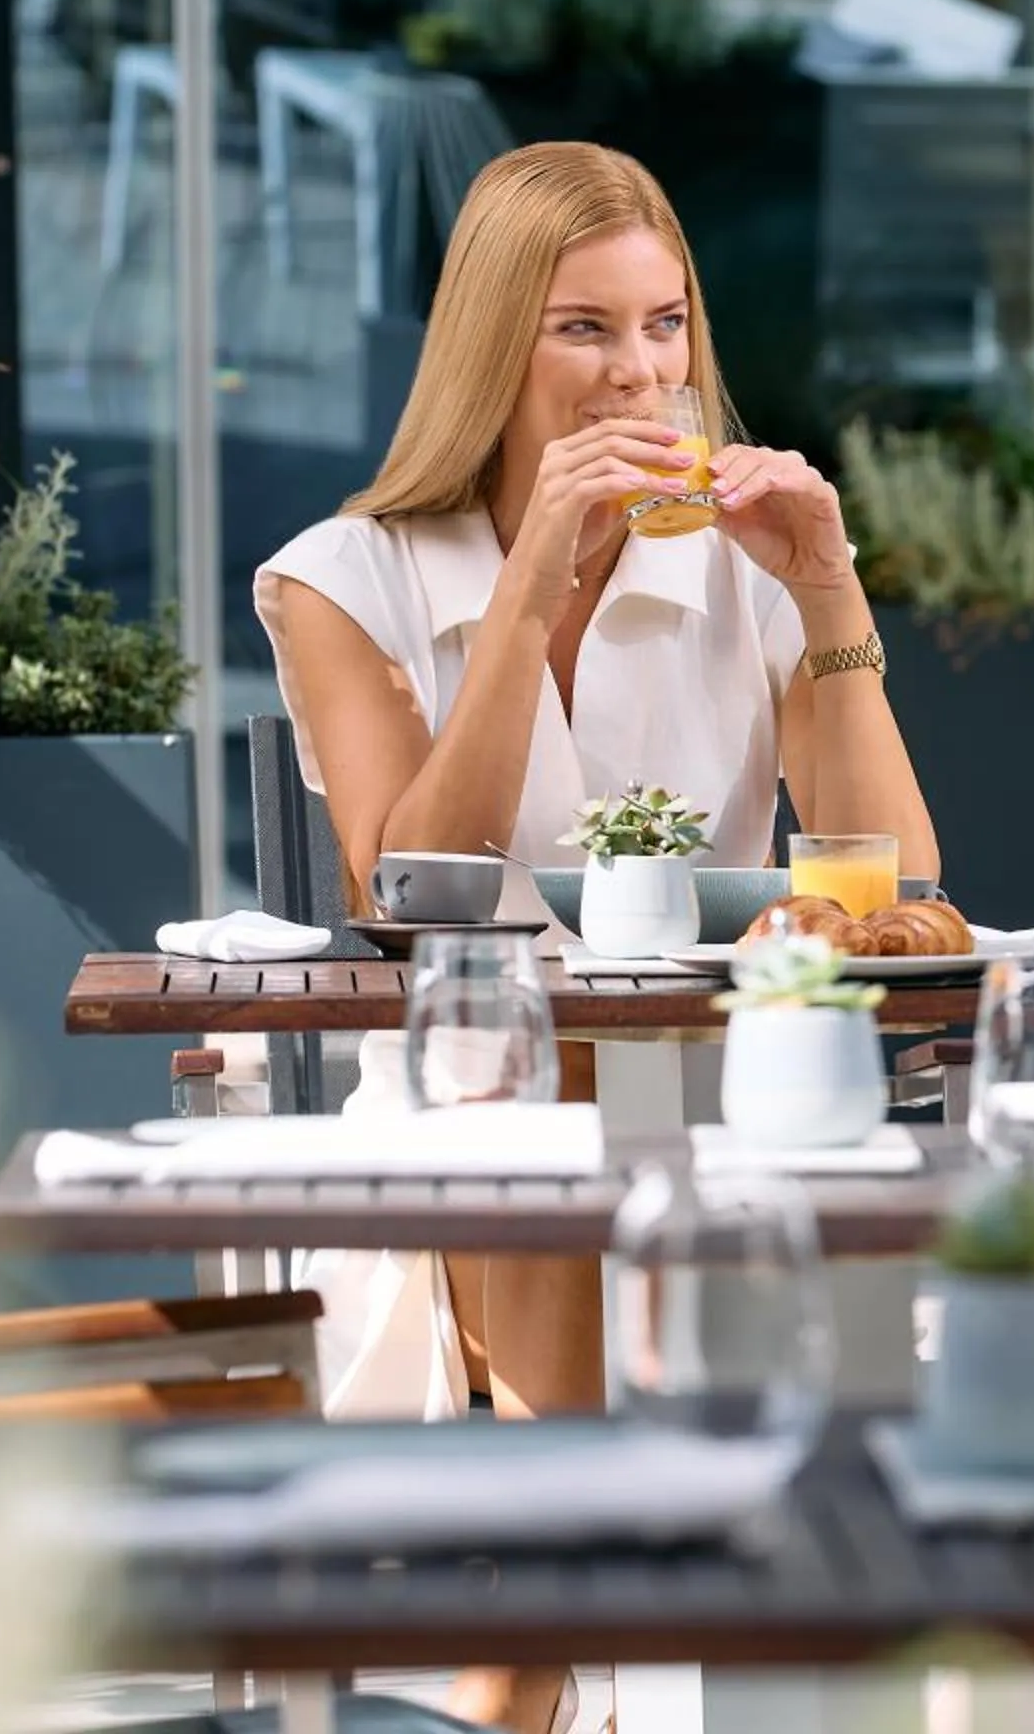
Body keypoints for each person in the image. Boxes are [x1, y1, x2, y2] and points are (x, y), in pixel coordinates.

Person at [255, 139, 939, 1734]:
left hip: (728, 1092)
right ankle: (544, 1655)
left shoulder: (748, 562)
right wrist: (525, 590)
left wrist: (831, 595)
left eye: (665, 323)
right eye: (584, 328)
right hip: (459, 1101)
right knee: (549, 1131)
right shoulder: (337, 580)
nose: (640, 372)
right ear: (496, 344)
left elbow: (890, 873)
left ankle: (532, 1664)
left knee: (620, 1148)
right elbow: (408, 882)